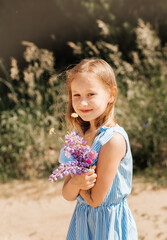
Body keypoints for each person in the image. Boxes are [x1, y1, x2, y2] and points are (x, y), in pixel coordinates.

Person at [58, 58, 138, 239]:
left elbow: (95, 200)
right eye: (76, 95)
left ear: (111, 95)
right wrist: (76, 184)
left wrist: (77, 185)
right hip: (82, 223)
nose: (82, 103)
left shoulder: (113, 140)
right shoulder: (77, 138)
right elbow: (67, 194)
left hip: (108, 225)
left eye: (91, 94)